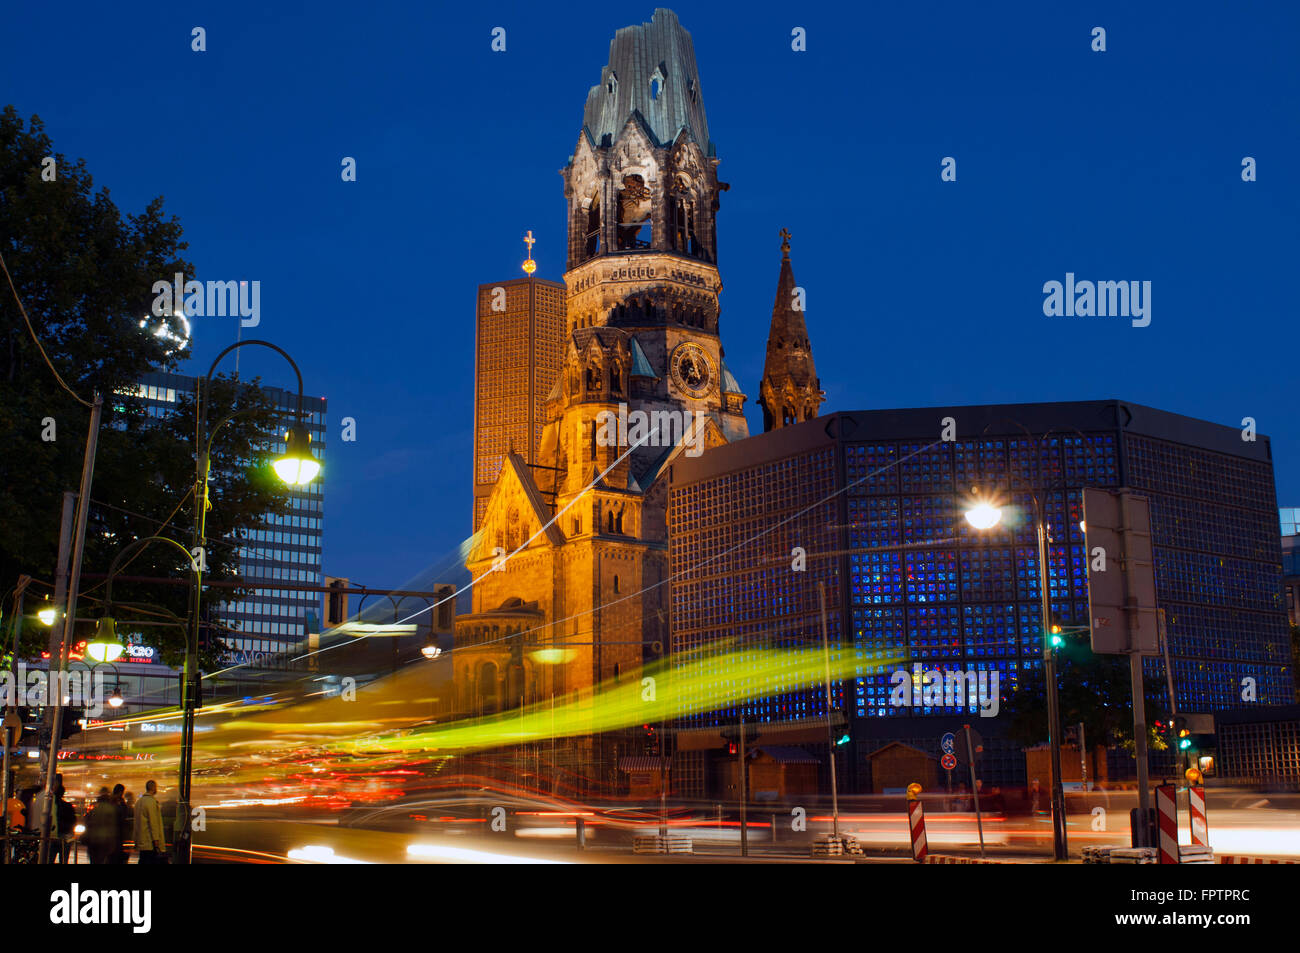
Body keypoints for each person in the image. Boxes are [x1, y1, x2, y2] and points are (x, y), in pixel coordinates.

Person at [82, 788, 119, 864]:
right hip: (104, 840)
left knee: (94, 861)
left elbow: (87, 821)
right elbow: (112, 826)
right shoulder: (111, 809)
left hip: (93, 839)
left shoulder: (94, 807)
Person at [133, 779, 166, 863]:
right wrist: (156, 841)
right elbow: (153, 823)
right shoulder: (151, 802)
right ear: (154, 788)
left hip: (141, 841)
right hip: (149, 842)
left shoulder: (138, 802)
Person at [52, 782, 76, 863]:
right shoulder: (68, 806)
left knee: (50, 858)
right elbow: (73, 821)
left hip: (53, 835)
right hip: (65, 836)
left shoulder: (51, 806)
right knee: (64, 859)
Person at [111, 784, 131, 864]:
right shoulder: (117, 803)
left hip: (114, 835)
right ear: (120, 792)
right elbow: (123, 815)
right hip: (116, 834)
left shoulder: (112, 801)